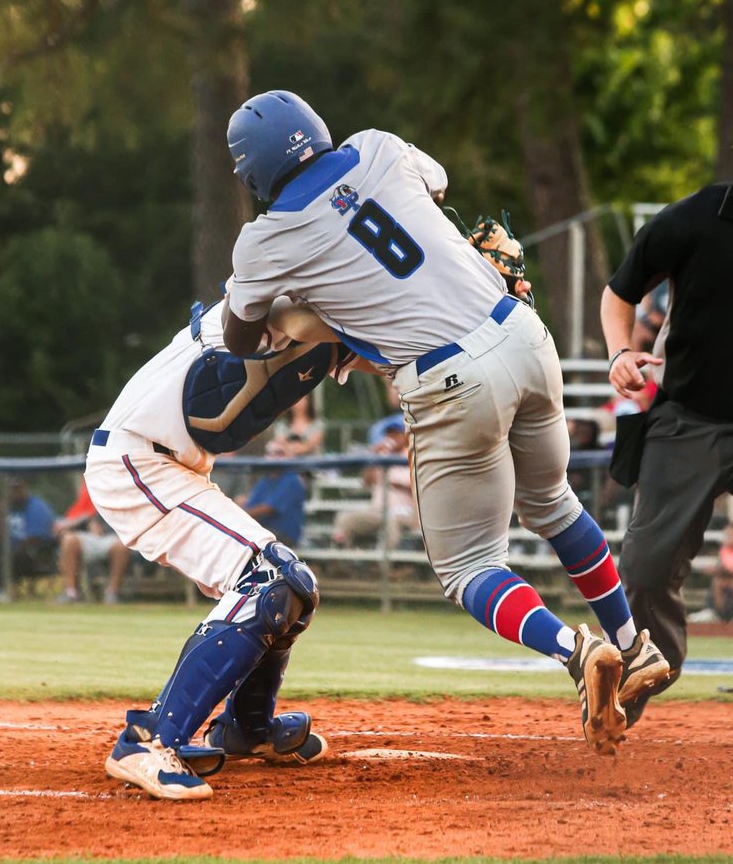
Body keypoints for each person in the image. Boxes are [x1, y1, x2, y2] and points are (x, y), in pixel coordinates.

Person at [222, 89, 669, 755]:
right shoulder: (376, 144)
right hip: (518, 328)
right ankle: (635, 646)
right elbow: (434, 190)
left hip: (448, 375)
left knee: (467, 568)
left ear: (252, 171)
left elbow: (238, 335)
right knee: (552, 502)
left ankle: (578, 651)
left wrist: (303, 296)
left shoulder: (264, 238)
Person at [85, 299, 354, 800]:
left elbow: (378, 347)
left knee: (298, 589)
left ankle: (245, 729)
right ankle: (147, 742)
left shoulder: (327, 296)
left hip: (175, 466)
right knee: (271, 582)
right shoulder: (268, 284)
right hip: (136, 460)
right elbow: (302, 319)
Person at [601, 104, 733, 727]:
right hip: (686, 417)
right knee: (642, 570)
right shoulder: (696, 218)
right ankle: (647, 673)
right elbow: (620, 292)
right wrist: (620, 351)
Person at [332, 421, 418, 550]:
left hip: (403, 512)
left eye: (396, 435)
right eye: (389, 435)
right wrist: (373, 457)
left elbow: (417, 488)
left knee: (391, 522)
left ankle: (385, 566)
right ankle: (342, 562)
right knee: (344, 518)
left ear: (404, 437)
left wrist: (394, 482)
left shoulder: (412, 456)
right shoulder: (381, 456)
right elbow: (367, 482)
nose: (392, 438)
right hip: (377, 511)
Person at [53, 478, 131, 605]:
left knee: (121, 546)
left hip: (114, 537)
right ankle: (71, 593)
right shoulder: (94, 485)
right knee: (69, 540)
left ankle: (112, 593)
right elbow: (86, 518)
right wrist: (90, 522)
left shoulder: (126, 488)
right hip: (91, 537)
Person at [239, 438, 307, 547]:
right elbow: (249, 503)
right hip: (264, 531)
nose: (274, 457)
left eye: (280, 453)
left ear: (288, 456)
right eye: (270, 453)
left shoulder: (292, 479)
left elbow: (268, 508)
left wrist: (239, 516)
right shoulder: (266, 479)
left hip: (283, 535)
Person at [688, 522, 733, 625]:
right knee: (717, 582)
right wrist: (717, 570)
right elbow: (722, 567)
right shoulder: (724, 550)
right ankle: (721, 614)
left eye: (731, 535)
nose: (727, 538)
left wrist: (719, 571)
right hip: (726, 578)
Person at [7, 479, 58, 586]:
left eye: (18, 489)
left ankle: (7, 589)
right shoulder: (6, 507)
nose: (15, 493)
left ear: (25, 489)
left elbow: (36, 538)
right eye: (13, 489)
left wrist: (13, 548)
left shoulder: (37, 507)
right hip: (9, 551)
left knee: (15, 556)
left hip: (33, 555)